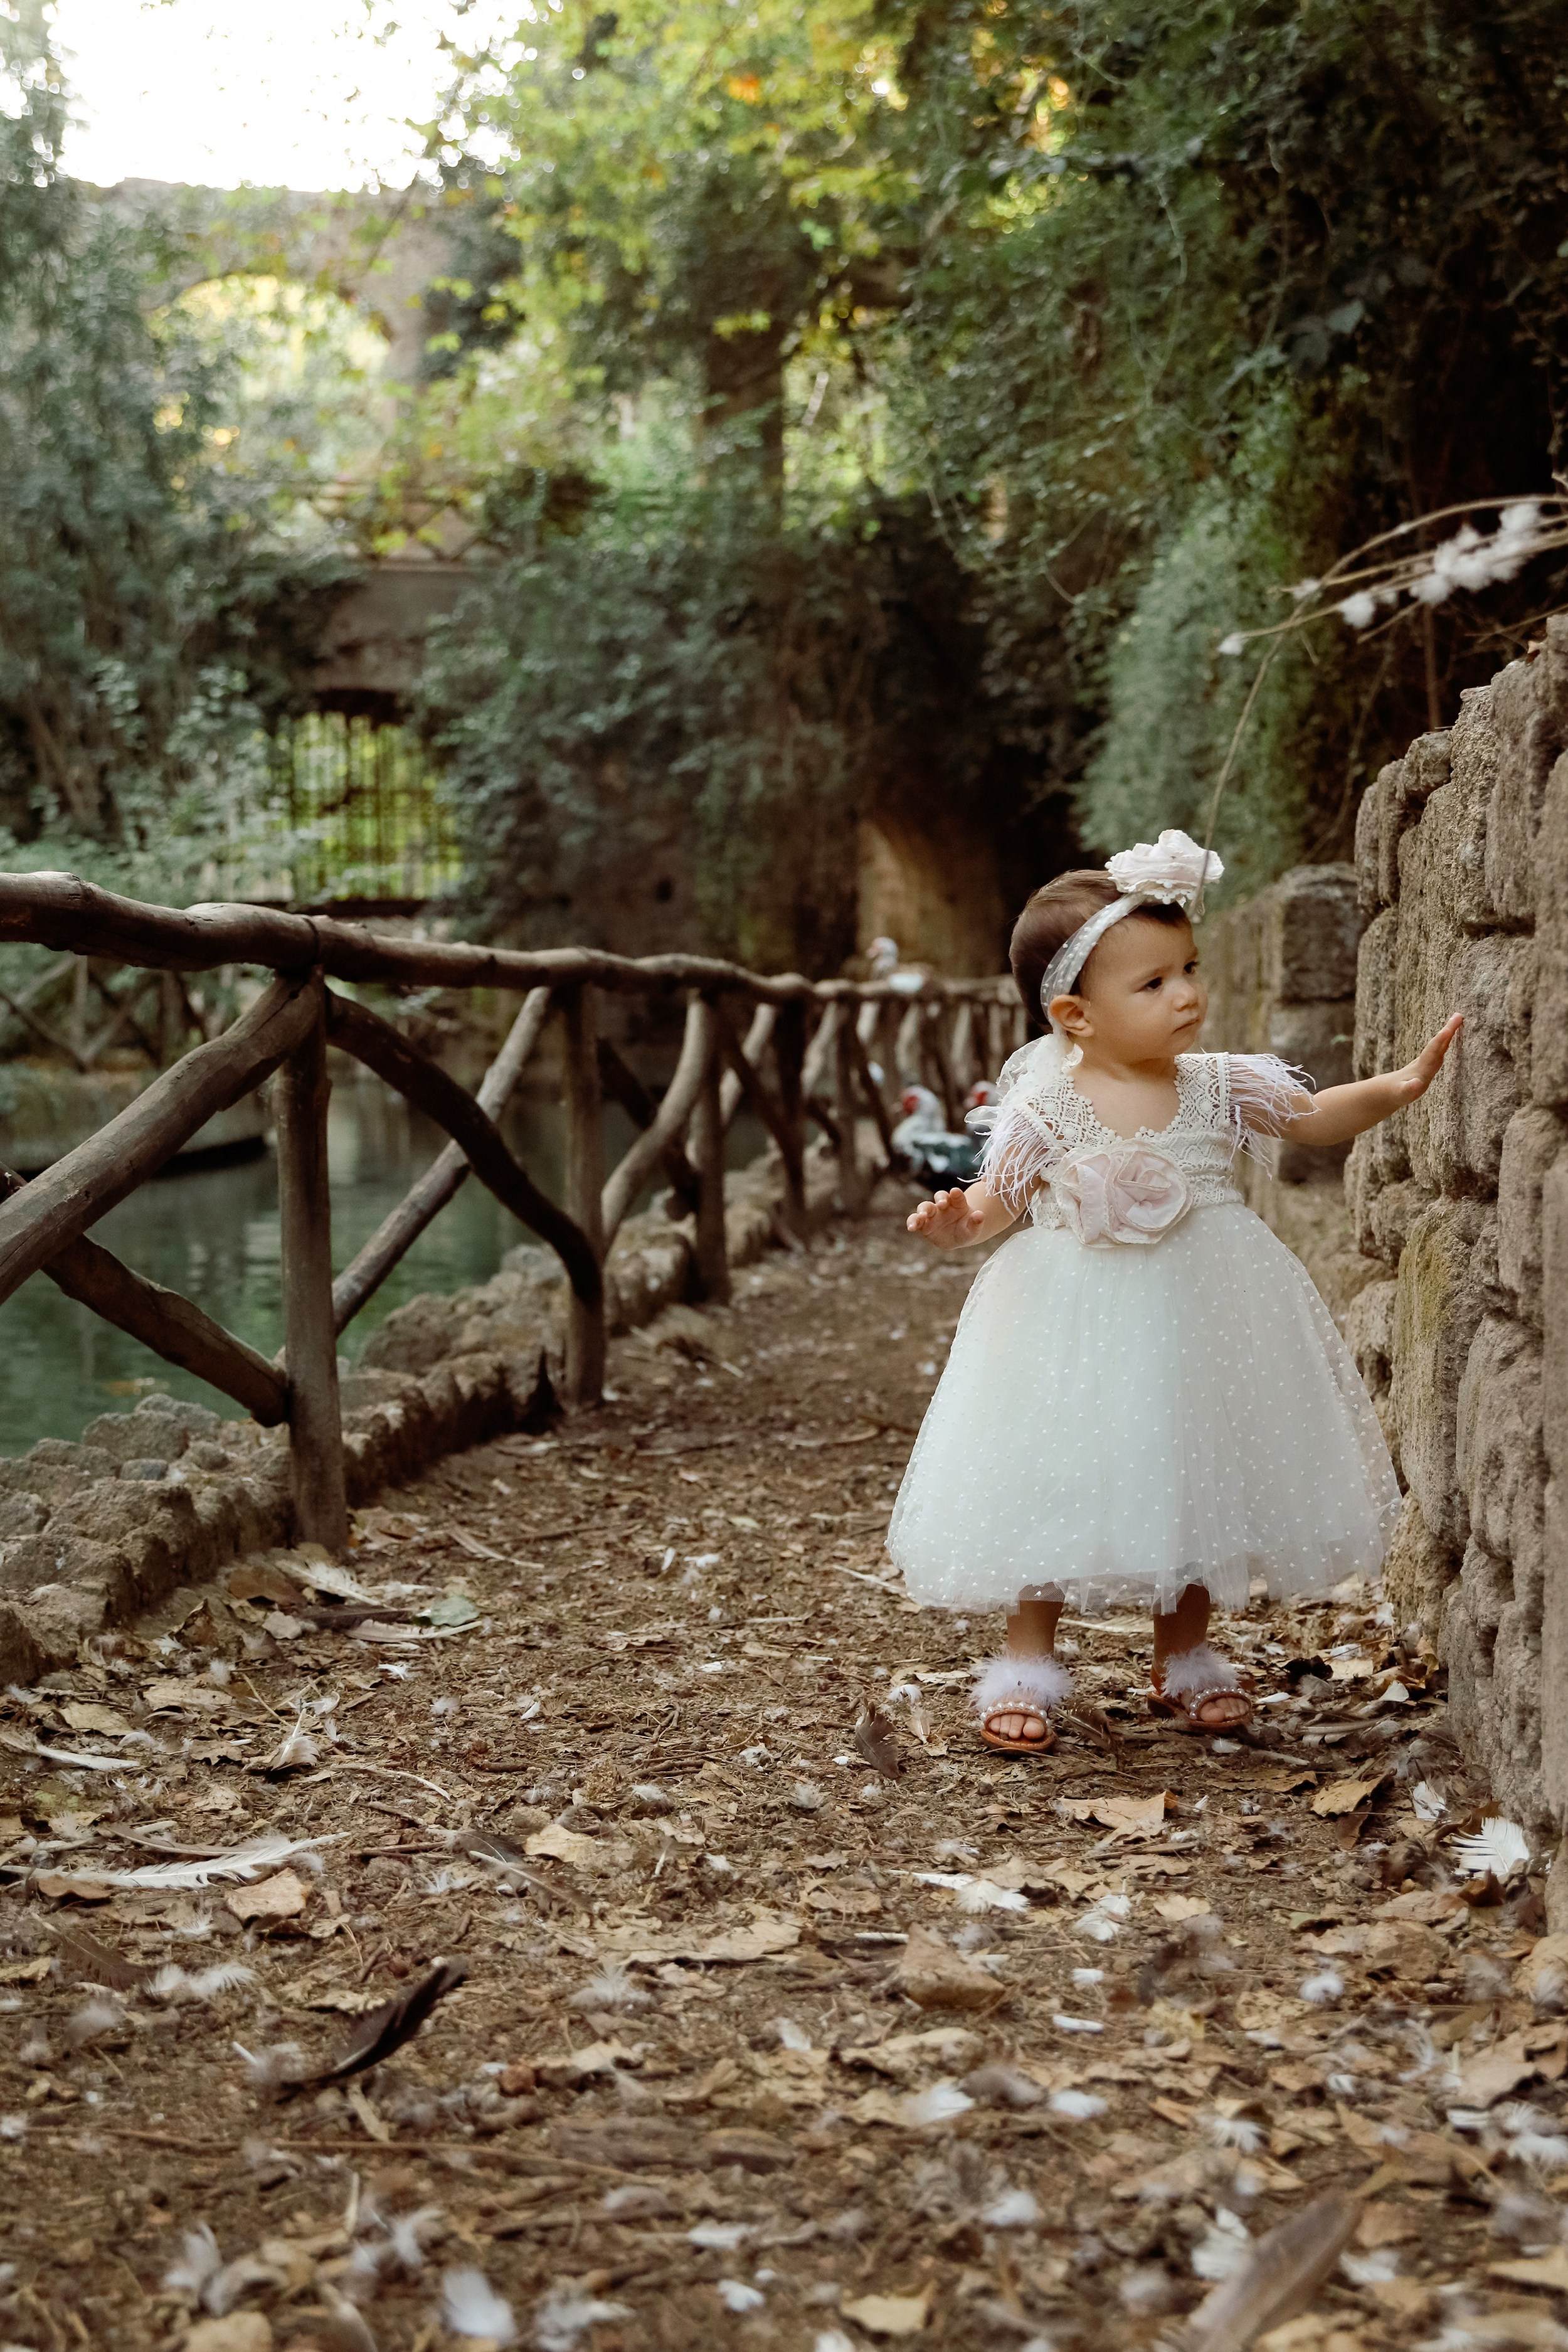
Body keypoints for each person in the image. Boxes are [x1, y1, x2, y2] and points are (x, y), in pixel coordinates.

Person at [885, 831, 1461, 1751]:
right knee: (1058, 1475)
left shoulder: (1217, 1087)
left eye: (1189, 968)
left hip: (1204, 1308)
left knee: (1195, 1472)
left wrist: (1398, 1086)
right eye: (1152, 984)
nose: (1187, 992)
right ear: (1075, 1014)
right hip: (1072, 1322)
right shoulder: (1049, 1107)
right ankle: (1028, 1661)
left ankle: (1184, 1656)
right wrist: (965, 1221)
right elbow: (1001, 1198)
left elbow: (1313, 1115)